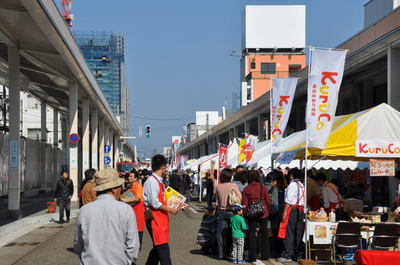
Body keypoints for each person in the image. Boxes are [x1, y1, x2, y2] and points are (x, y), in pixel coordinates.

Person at [74, 168, 139, 265]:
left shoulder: (84, 211)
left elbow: (78, 244)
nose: (121, 189)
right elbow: (133, 245)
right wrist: (127, 261)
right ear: (113, 189)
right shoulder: (125, 210)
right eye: (119, 186)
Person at [143, 154, 183, 265]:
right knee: (163, 250)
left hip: (160, 219)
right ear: (162, 167)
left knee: (157, 250)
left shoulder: (158, 181)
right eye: (165, 167)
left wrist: (179, 204)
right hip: (155, 219)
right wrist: (171, 209)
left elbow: (164, 198)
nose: (166, 170)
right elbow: (155, 203)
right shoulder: (152, 181)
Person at [242, 170, 271, 262]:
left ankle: (252, 256)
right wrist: (268, 210)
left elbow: (244, 204)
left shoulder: (246, 189)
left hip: (252, 213)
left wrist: (246, 213)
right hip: (263, 212)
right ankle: (265, 255)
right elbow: (267, 201)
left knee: (252, 234)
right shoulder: (263, 187)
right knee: (264, 234)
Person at [277, 168, 305, 263]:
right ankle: (297, 254)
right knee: (298, 232)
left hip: (292, 209)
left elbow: (288, 200)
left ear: (291, 176)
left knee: (289, 232)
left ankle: (287, 254)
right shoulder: (302, 184)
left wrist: (284, 212)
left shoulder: (292, 185)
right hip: (301, 209)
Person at [214, 168, 242, 260]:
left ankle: (220, 254)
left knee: (221, 233)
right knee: (233, 232)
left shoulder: (218, 186)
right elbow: (240, 197)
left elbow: (217, 201)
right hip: (233, 211)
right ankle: (231, 252)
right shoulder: (233, 185)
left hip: (222, 211)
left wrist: (218, 210)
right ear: (230, 176)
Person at [122, 169, 146, 249]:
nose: (129, 178)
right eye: (129, 176)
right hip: (133, 210)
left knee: (138, 228)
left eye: (131, 176)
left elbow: (138, 198)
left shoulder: (138, 186)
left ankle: (137, 247)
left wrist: (126, 200)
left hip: (138, 211)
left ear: (135, 178)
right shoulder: (130, 186)